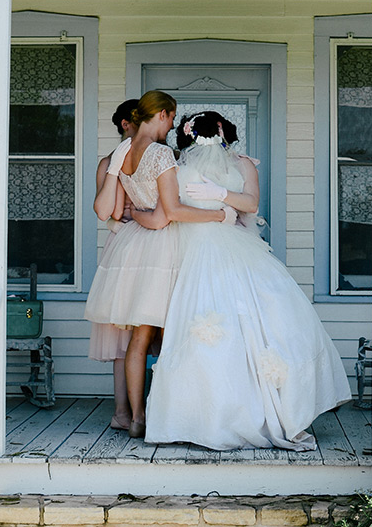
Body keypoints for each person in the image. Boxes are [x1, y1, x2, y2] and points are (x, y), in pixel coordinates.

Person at [141, 111, 352, 451]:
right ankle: (203, 419)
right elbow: (170, 210)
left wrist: (221, 193)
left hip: (236, 248)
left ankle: (265, 412)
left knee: (265, 323)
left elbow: (251, 205)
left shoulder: (243, 164)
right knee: (207, 331)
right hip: (196, 251)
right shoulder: (177, 166)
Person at [85, 91, 236, 439]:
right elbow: (172, 211)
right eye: (172, 118)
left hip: (133, 248)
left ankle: (136, 418)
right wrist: (220, 214)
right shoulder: (160, 152)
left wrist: (140, 214)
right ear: (164, 115)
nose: (172, 125)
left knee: (139, 338)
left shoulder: (122, 154)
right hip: (167, 246)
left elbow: (114, 211)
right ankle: (175, 413)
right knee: (176, 333)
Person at [86, 99, 140, 431]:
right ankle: (122, 411)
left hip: (164, 242)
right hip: (124, 247)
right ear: (125, 124)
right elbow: (107, 212)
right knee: (123, 331)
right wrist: (115, 167)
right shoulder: (109, 161)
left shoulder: (165, 157)